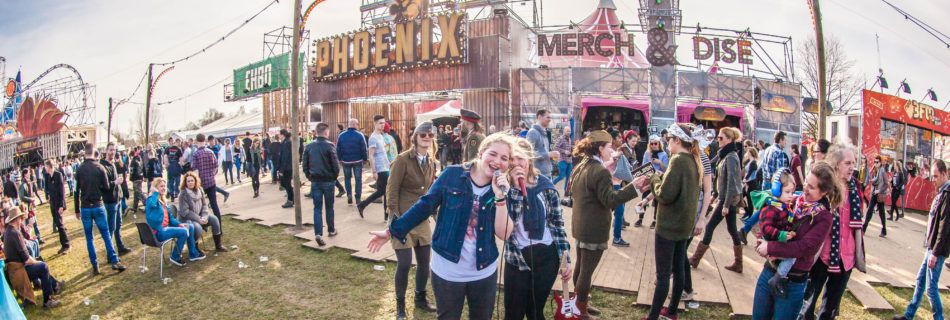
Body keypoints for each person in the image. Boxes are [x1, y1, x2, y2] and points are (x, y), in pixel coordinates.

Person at [367, 133, 515, 320]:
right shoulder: (452, 175)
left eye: (504, 158)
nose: (497, 161)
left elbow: (504, 233)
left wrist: (500, 197)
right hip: (447, 270)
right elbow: (424, 206)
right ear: (481, 152)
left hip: (483, 271)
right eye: (493, 154)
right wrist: (391, 231)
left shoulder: (502, 189)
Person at [751, 162, 839, 320]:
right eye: (806, 182)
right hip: (769, 271)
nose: (805, 188)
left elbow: (804, 248)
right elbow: (769, 217)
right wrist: (762, 236)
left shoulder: (824, 217)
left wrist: (770, 247)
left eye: (811, 187)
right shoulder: (793, 200)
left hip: (792, 283)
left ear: (824, 192)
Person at [633, 123, 702, 320]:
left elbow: (665, 194)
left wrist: (654, 178)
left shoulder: (678, 160)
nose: (666, 142)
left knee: (663, 275)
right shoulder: (692, 159)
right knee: (679, 268)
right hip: (683, 225)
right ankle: (671, 312)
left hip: (669, 226)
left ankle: (653, 316)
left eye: (669, 139)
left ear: (677, 140)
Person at [569, 130, 639, 318]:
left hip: (580, 225)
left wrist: (608, 164)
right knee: (586, 272)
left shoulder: (584, 164)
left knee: (581, 267)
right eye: (609, 147)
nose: (612, 150)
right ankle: (581, 310)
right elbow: (610, 200)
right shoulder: (599, 171)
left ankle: (579, 303)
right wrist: (635, 187)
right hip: (593, 228)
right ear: (600, 148)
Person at [502, 137, 572, 320]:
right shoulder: (503, 189)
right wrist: (516, 189)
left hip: (546, 257)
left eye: (520, 159)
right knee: (513, 312)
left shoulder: (546, 187)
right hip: (517, 257)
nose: (516, 164)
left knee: (534, 310)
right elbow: (508, 227)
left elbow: (557, 224)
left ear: (529, 160)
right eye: (512, 159)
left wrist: (565, 259)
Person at [800, 142, 866, 320]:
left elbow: (860, 220)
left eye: (853, 163)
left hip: (846, 257)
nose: (852, 167)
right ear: (836, 164)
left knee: (830, 309)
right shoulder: (824, 186)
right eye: (848, 163)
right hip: (822, 255)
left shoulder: (856, 188)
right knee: (807, 304)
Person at [383, 122, 439, 319]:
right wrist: (396, 219)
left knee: (425, 263)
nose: (426, 137)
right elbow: (392, 190)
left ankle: (420, 298)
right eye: (423, 134)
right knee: (405, 263)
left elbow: (431, 192)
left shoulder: (431, 161)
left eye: (430, 135)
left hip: (421, 219)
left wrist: (435, 213)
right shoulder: (402, 159)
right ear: (414, 137)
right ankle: (400, 305)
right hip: (402, 218)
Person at [893, 160, 949, 320]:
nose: (933, 180)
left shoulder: (947, 194)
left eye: (936, 176)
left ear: (945, 174)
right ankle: (909, 315)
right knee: (920, 280)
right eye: (932, 176)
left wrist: (935, 253)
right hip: (931, 248)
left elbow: (944, 228)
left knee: (931, 289)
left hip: (936, 250)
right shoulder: (942, 191)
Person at [689, 127, 745, 273]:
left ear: (729, 140)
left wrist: (725, 204)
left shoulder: (731, 156)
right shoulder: (726, 155)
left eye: (720, 138)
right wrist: (714, 194)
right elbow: (722, 179)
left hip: (728, 199)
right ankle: (738, 263)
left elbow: (732, 183)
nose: (718, 140)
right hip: (725, 198)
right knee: (732, 230)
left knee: (710, 226)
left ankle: (695, 259)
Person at [73, 144, 126, 274]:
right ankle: (114, 260)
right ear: (94, 152)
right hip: (98, 205)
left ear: (85, 153)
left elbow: (75, 191)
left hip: (85, 207)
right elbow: (107, 187)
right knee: (106, 234)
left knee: (89, 238)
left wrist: (76, 210)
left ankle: (95, 265)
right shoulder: (99, 167)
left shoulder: (79, 170)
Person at [2, 207, 63, 308]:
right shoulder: (14, 233)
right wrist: (35, 262)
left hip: (14, 269)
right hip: (18, 271)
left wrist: (36, 261)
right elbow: (26, 259)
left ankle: (55, 285)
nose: (22, 220)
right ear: (17, 219)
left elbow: (23, 255)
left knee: (39, 261)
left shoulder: (9, 231)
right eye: (21, 218)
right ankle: (48, 300)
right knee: (43, 267)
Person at [750, 169, 798, 297]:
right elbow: (766, 228)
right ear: (776, 190)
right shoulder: (771, 208)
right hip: (773, 243)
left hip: (776, 243)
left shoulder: (783, 206)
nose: (790, 196)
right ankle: (778, 278)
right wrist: (781, 235)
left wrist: (789, 232)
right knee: (792, 257)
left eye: (792, 192)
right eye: (787, 192)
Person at [145, 178, 204, 266]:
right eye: (161, 186)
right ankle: (175, 256)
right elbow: (153, 204)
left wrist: (180, 224)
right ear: (155, 188)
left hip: (165, 229)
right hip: (157, 232)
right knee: (184, 232)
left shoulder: (163, 201)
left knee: (189, 227)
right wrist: (155, 192)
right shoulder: (151, 199)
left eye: (164, 186)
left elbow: (171, 219)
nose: (164, 188)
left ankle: (193, 254)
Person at [303, 123, 340, 246]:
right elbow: (335, 164)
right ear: (326, 132)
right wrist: (334, 177)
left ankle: (318, 233)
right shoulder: (329, 146)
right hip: (328, 181)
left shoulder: (309, 146)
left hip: (315, 181)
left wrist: (310, 176)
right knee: (329, 207)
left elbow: (305, 165)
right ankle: (331, 229)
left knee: (317, 208)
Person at [177, 172, 228, 252]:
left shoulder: (200, 190)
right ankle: (195, 249)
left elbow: (204, 205)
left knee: (214, 219)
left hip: (200, 216)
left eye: (192, 180)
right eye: (188, 181)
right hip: (187, 220)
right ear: (185, 183)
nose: (190, 183)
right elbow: (185, 212)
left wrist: (204, 216)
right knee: (197, 227)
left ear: (195, 181)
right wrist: (198, 219)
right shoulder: (183, 194)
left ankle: (218, 245)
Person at [357, 115, 392, 219]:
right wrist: (374, 171)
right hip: (380, 168)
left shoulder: (381, 136)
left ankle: (363, 205)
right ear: (375, 123)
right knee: (384, 191)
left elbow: (383, 153)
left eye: (384, 123)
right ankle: (386, 215)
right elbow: (371, 155)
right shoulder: (373, 138)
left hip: (386, 166)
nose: (383, 125)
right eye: (380, 123)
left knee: (383, 191)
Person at [101, 143, 132, 255]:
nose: (112, 152)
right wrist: (116, 182)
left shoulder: (112, 164)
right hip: (109, 201)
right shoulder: (102, 166)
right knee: (111, 228)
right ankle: (110, 254)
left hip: (117, 199)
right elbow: (103, 185)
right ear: (106, 150)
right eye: (110, 150)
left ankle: (120, 247)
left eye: (114, 150)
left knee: (118, 225)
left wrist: (120, 191)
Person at [634, 134, 669, 228]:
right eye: (651, 144)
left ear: (659, 144)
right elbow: (643, 167)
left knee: (657, 200)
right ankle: (640, 218)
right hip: (648, 178)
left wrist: (660, 163)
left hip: (658, 179)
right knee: (644, 198)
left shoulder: (664, 154)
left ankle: (654, 220)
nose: (653, 145)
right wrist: (649, 161)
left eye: (655, 143)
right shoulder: (647, 153)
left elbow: (666, 170)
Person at [192, 134, 225, 230]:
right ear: (205, 140)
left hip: (201, 184)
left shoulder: (196, 154)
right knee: (214, 205)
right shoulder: (210, 152)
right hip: (211, 182)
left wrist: (196, 184)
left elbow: (195, 171)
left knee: (199, 206)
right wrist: (211, 175)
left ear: (196, 141)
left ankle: (202, 226)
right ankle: (219, 228)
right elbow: (216, 167)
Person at [337, 118, 368, 205]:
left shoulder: (341, 135)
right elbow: (364, 148)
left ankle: (349, 195)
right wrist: (365, 159)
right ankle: (358, 198)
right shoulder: (360, 135)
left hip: (346, 161)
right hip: (358, 161)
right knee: (358, 179)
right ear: (355, 125)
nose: (358, 126)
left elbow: (338, 148)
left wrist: (339, 159)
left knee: (347, 178)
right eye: (357, 124)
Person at [44, 160, 70, 254]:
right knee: (58, 224)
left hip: (58, 204)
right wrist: (47, 195)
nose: (45, 168)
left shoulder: (58, 174)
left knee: (60, 224)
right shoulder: (48, 176)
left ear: (49, 166)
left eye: (46, 166)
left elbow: (62, 191)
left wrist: (61, 205)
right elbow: (47, 189)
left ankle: (66, 245)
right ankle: (63, 245)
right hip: (52, 204)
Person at [864, 156, 889, 237]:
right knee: (870, 210)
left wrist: (880, 190)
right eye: (875, 162)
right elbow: (873, 179)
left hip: (879, 194)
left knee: (881, 213)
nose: (875, 163)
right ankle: (864, 228)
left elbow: (886, 184)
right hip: (875, 193)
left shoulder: (882, 171)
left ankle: (884, 230)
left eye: (877, 162)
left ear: (880, 163)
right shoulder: (876, 170)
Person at [527, 109, 556, 178]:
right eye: (548, 117)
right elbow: (528, 153)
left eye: (550, 118)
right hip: (539, 175)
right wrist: (547, 154)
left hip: (547, 173)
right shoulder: (533, 132)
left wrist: (550, 155)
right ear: (540, 117)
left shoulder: (544, 132)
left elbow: (543, 151)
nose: (550, 120)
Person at [277, 129, 295, 208]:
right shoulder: (285, 142)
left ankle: (290, 200)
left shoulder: (287, 143)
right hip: (287, 167)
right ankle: (291, 198)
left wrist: (281, 170)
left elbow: (285, 157)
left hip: (287, 168)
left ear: (283, 135)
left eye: (279, 134)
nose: (278, 136)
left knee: (286, 184)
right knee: (285, 184)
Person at [742, 147, 761, 221]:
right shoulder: (749, 162)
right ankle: (747, 212)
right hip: (747, 183)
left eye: (748, 152)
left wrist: (745, 179)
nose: (747, 153)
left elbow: (749, 173)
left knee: (749, 200)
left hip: (751, 183)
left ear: (750, 153)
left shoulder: (753, 163)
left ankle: (749, 215)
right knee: (741, 197)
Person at [552, 126, 573, 193]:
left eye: (569, 131)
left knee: (568, 177)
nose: (569, 132)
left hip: (569, 161)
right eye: (567, 131)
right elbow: (555, 147)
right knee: (561, 176)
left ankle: (566, 191)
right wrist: (564, 151)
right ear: (564, 131)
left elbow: (569, 149)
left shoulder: (569, 139)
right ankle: (550, 185)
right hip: (562, 160)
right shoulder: (561, 138)